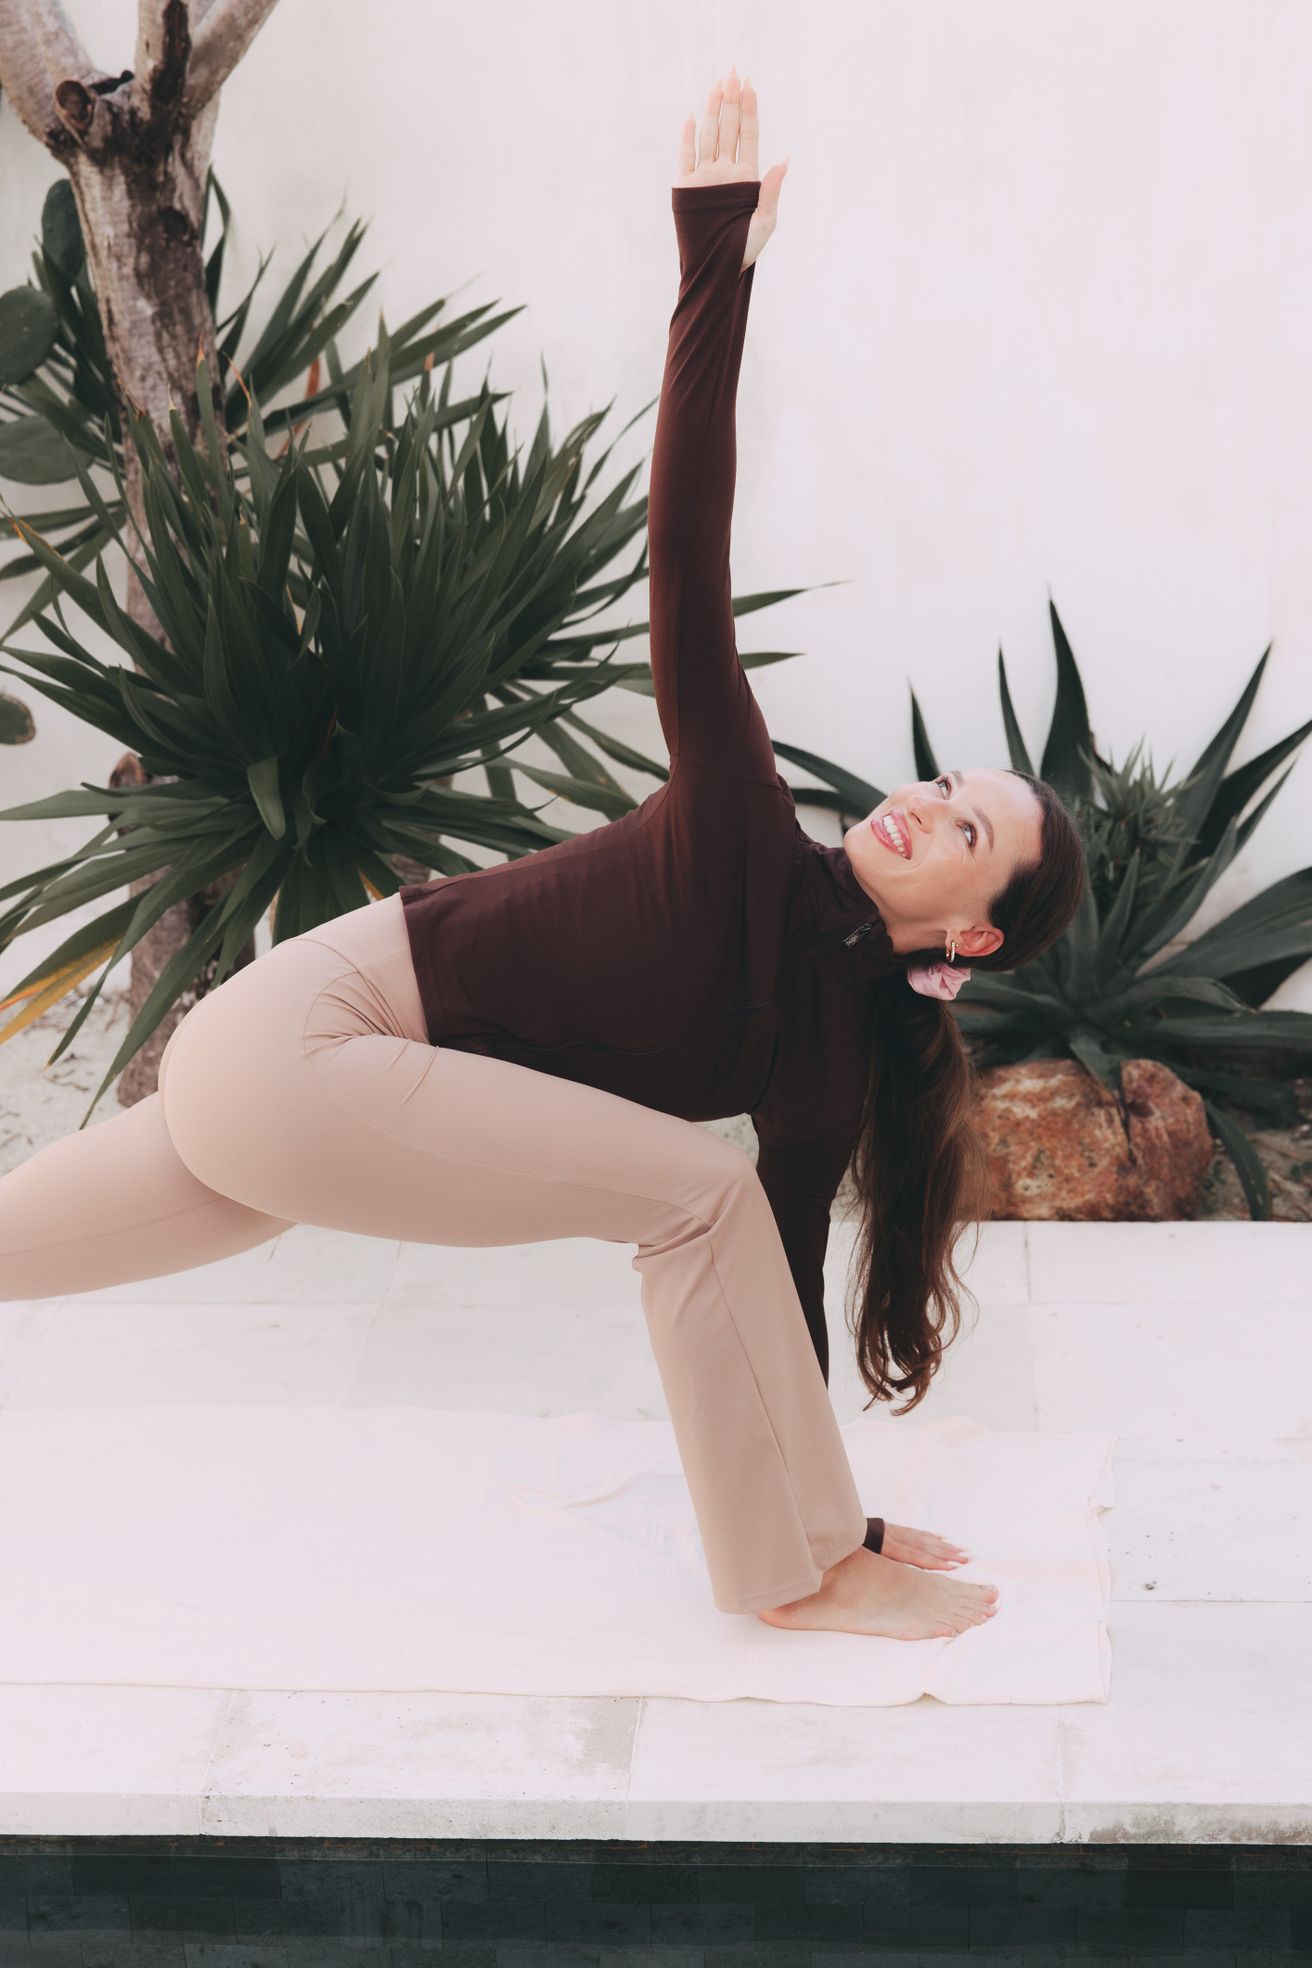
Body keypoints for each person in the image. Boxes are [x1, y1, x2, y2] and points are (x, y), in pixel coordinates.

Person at [0, 68, 1086, 1641]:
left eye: (965, 830)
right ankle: (789, 1585)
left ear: (973, 935)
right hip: (307, 1041)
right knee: (688, 1193)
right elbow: (688, 556)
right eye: (944, 780)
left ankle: (808, 1551)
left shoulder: (838, 1049)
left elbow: (776, 1282)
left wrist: (834, 1498)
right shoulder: (744, 829)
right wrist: (713, 265)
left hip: (296, 1096)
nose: (923, 802)